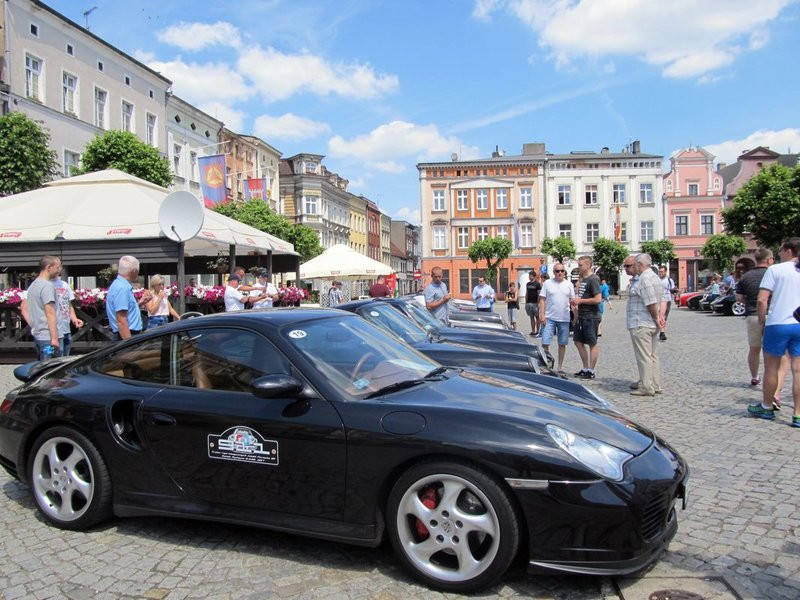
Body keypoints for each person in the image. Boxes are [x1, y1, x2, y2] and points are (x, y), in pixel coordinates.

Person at [748, 238, 800, 426]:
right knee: (798, 370)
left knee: (771, 367)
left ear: (788, 250)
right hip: (799, 324)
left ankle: (767, 406)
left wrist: (762, 320)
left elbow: (762, 300)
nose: (778, 253)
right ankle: (797, 414)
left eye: (780, 249)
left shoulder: (775, 270)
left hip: (778, 323)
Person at [625, 254, 665, 397]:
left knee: (644, 356)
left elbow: (651, 302)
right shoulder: (654, 277)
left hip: (641, 321)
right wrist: (659, 318)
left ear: (640, 264)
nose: (633, 267)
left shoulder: (645, 278)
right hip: (649, 322)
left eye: (635, 264)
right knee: (652, 355)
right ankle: (653, 383)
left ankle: (647, 386)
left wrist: (656, 317)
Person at [736, 248, 773, 386]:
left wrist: (750, 303)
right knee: (771, 349)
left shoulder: (746, 276)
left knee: (754, 348)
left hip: (752, 315)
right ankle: (771, 375)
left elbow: (739, 297)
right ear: (769, 260)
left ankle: (755, 377)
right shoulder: (773, 273)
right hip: (772, 314)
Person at [20, 255, 61, 360]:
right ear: (49, 268)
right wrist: (55, 339)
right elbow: (50, 313)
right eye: (57, 267)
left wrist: (34, 325)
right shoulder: (47, 286)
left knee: (42, 369)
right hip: (48, 338)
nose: (59, 270)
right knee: (50, 371)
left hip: (39, 336)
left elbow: (24, 309)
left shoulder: (33, 285)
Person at [538, 263, 575, 378]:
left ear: (564, 272)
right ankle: (546, 365)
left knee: (562, 343)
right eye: (557, 271)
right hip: (549, 318)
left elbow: (572, 301)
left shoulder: (569, 284)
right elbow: (542, 300)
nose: (560, 273)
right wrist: (542, 314)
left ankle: (560, 367)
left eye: (562, 271)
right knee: (545, 342)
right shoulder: (547, 283)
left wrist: (575, 316)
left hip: (564, 318)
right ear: (553, 272)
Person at [570, 256, 602, 379]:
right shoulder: (583, 279)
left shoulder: (594, 279)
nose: (579, 267)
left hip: (591, 316)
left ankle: (591, 370)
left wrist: (581, 301)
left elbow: (598, 299)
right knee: (578, 341)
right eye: (578, 265)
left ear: (588, 265)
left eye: (581, 265)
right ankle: (585, 368)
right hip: (582, 315)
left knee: (592, 343)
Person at [107, 255, 147, 341]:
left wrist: (140, 303)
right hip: (127, 334)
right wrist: (130, 345)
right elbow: (121, 321)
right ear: (134, 271)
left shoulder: (118, 285)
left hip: (125, 333)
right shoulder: (122, 288)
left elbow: (124, 311)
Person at [53, 272, 83, 356]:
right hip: (55, 330)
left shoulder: (65, 285)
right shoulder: (45, 285)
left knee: (66, 358)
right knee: (57, 359)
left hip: (66, 327)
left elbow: (69, 305)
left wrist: (74, 319)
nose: (59, 269)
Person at [658, 266, 676, 341]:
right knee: (659, 317)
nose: (660, 273)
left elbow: (672, 289)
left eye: (662, 271)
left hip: (667, 300)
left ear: (665, 272)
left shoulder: (669, 280)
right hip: (658, 300)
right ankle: (661, 332)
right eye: (659, 271)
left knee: (664, 317)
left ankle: (662, 332)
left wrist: (675, 292)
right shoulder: (657, 280)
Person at [524, 271, 542, 337]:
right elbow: (527, 293)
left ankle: (538, 331)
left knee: (537, 317)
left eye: (530, 276)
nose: (529, 277)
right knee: (531, 317)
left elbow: (539, 294)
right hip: (529, 302)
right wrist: (526, 302)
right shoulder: (528, 284)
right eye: (529, 276)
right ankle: (533, 331)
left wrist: (538, 302)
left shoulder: (537, 284)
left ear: (534, 276)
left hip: (535, 303)